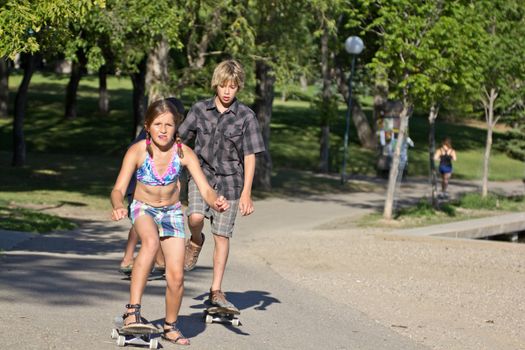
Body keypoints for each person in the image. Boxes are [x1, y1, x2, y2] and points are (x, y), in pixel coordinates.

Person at [110, 99, 229, 345]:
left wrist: (216, 200)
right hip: (144, 209)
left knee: (176, 276)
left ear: (177, 128)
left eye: (169, 125)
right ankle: (132, 312)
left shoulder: (184, 153)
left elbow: (205, 189)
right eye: (157, 124)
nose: (163, 130)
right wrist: (119, 205)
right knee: (151, 243)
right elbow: (118, 189)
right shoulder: (138, 152)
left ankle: (170, 325)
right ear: (147, 126)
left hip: (172, 212)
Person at [178, 59, 265, 311]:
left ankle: (216, 290)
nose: (227, 91)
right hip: (201, 177)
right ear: (216, 84)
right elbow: (180, 141)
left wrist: (247, 193)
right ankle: (195, 240)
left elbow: (250, 156)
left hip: (231, 183)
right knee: (194, 217)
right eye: (224, 86)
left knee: (222, 237)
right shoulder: (199, 110)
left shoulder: (246, 116)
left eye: (233, 87)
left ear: (239, 88)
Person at [119, 98, 185, 276]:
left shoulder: (157, 130)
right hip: (140, 181)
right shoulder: (149, 140)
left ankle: (133, 258)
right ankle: (140, 260)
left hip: (147, 181)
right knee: (145, 222)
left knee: (141, 222)